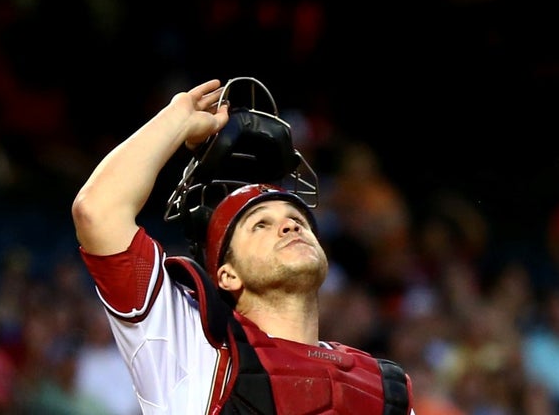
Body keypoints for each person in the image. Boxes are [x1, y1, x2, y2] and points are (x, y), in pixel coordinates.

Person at [72, 76, 414, 414]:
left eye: (296, 219)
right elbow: (98, 212)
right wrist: (177, 118)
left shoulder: (385, 386)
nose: (289, 224)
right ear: (226, 275)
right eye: (260, 224)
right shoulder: (190, 350)